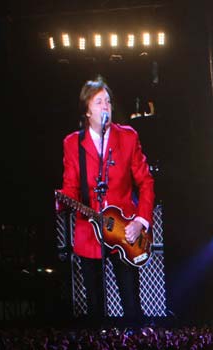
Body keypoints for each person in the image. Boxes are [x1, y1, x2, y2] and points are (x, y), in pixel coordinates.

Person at [60, 76, 155, 322]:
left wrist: (140, 221)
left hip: (124, 232)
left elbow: (146, 182)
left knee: (131, 304)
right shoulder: (73, 144)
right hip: (89, 234)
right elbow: (70, 188)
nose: (106, 107)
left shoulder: (128, 137)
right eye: (99, 102)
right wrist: (60, 201)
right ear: (87, 110)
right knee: (95, 308)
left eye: (108, 102)